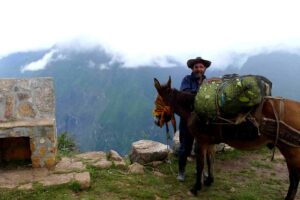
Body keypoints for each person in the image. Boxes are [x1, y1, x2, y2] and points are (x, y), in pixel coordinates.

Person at [177, 57, 211, 181]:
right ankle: (181, 171)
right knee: (185, 146)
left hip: (203, 120)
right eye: (196, 67)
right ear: (192, 68)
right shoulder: (186, 80)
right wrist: (201, 93)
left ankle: (200, 169)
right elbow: (184, 95)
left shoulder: (208, 82)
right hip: (187, 119)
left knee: (201, 147)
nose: (199, 69)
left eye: (201, 67)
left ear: (204, 69)